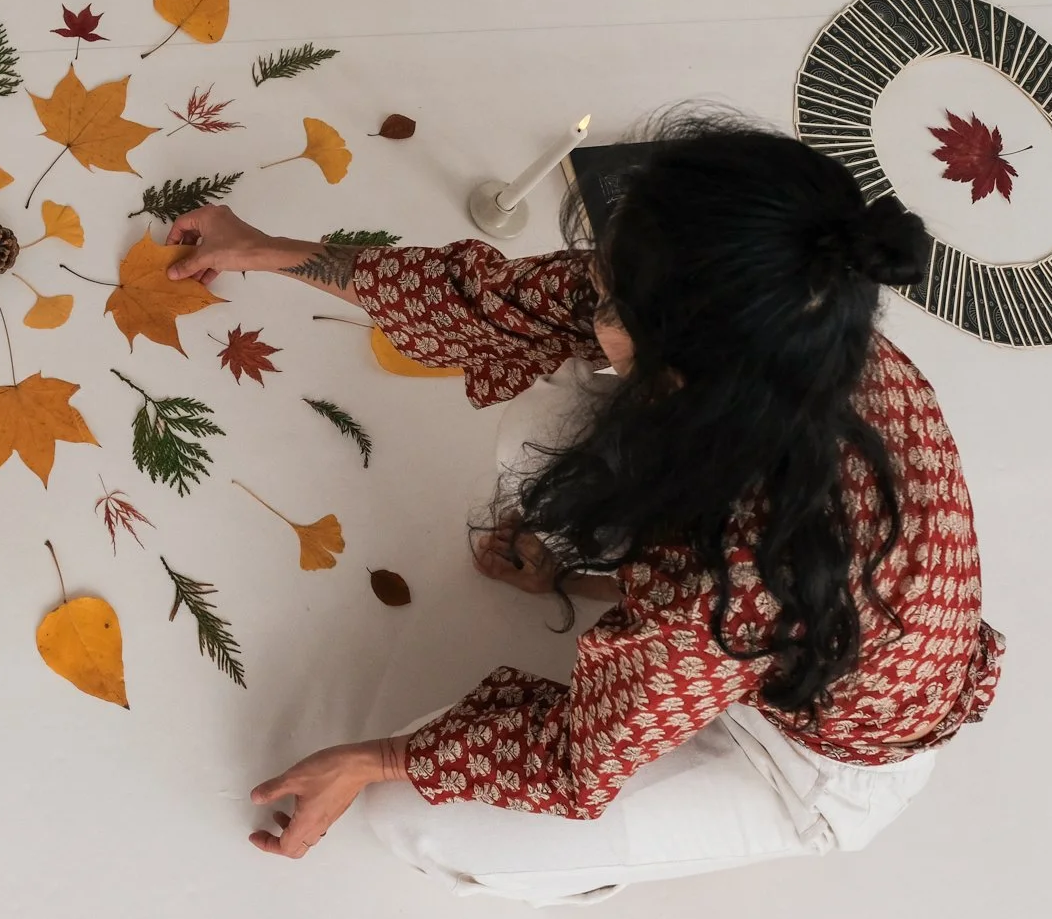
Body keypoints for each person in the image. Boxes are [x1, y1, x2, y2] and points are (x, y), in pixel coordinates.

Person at [163, 109, 1004, 906]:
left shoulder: (738, 578)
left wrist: (376, 758)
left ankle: (590, 863)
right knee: (539, 427)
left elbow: (578, 756)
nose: (585, 288)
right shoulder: (785, 318)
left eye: (611, 298)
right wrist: (272, 250)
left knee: (415, 820)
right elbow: (487, 299)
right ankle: (608, 586)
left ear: (684, 365)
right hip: (771, 622)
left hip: (806, 759)